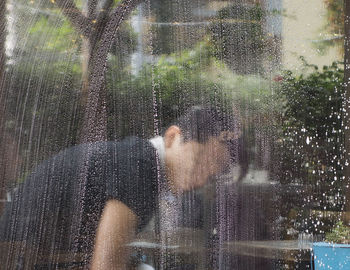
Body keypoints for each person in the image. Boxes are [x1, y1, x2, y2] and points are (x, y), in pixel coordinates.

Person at [0, 106, 240, 269]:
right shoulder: (141, 167)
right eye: (198, 162)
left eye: (211, 174)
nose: (198, 181)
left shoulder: (137, 159)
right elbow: (107, 264)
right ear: (172, 137)